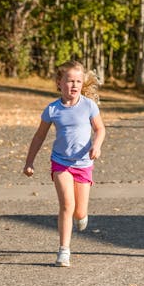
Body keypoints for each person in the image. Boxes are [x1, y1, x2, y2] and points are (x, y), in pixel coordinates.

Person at [23, 60, 106, 267]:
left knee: (80, 212)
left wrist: (96, 145)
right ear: (59, 83)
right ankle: (64, 250)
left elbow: (100, 129)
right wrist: (29, 162)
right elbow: (39, 137)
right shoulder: (52, 109)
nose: (74, 85)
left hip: (84, 164)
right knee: (67, 205)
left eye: (78, 81)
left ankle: (82, 215)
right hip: (61, 163)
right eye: (70, 81)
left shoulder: (89, 105)